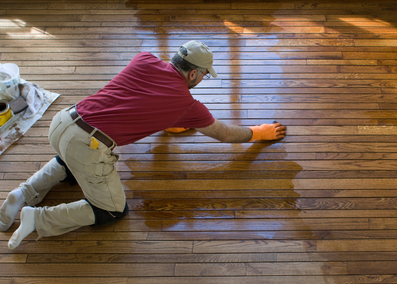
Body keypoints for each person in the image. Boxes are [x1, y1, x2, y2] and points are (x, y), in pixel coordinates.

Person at [0, 40, 286, 250]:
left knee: (70, 162)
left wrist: (171, 120)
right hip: (87, 145)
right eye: (203, 75)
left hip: (63, 122)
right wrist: (258, 133)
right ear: (193, 75)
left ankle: (22, 193)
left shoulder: (143, 59)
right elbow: (224, 134)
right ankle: (37, 218)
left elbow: (140, 98)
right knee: (111, 210)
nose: (202, 80)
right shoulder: (187, 103)